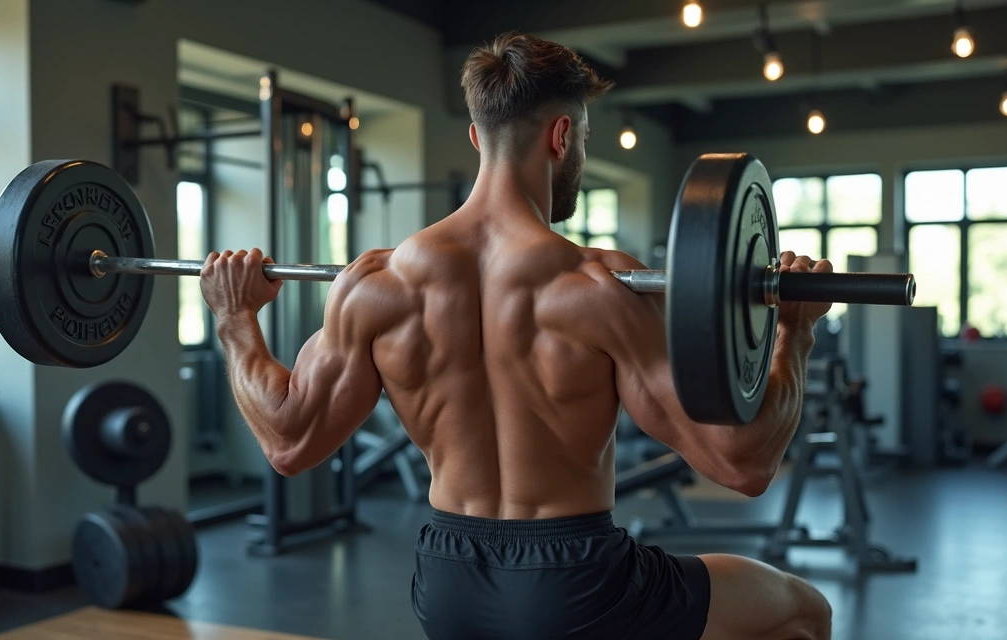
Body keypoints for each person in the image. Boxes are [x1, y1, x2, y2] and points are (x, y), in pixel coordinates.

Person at [200, 32, 832, 640]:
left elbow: (288, 442)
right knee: (799, 612)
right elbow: (742, 463)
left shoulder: (375, 286)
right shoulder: (600, 287)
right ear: (562, 136)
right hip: (577, 584)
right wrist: (792, 333)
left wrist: (235, 320)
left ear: (478, 137)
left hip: (447, 583)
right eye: (582, 136)